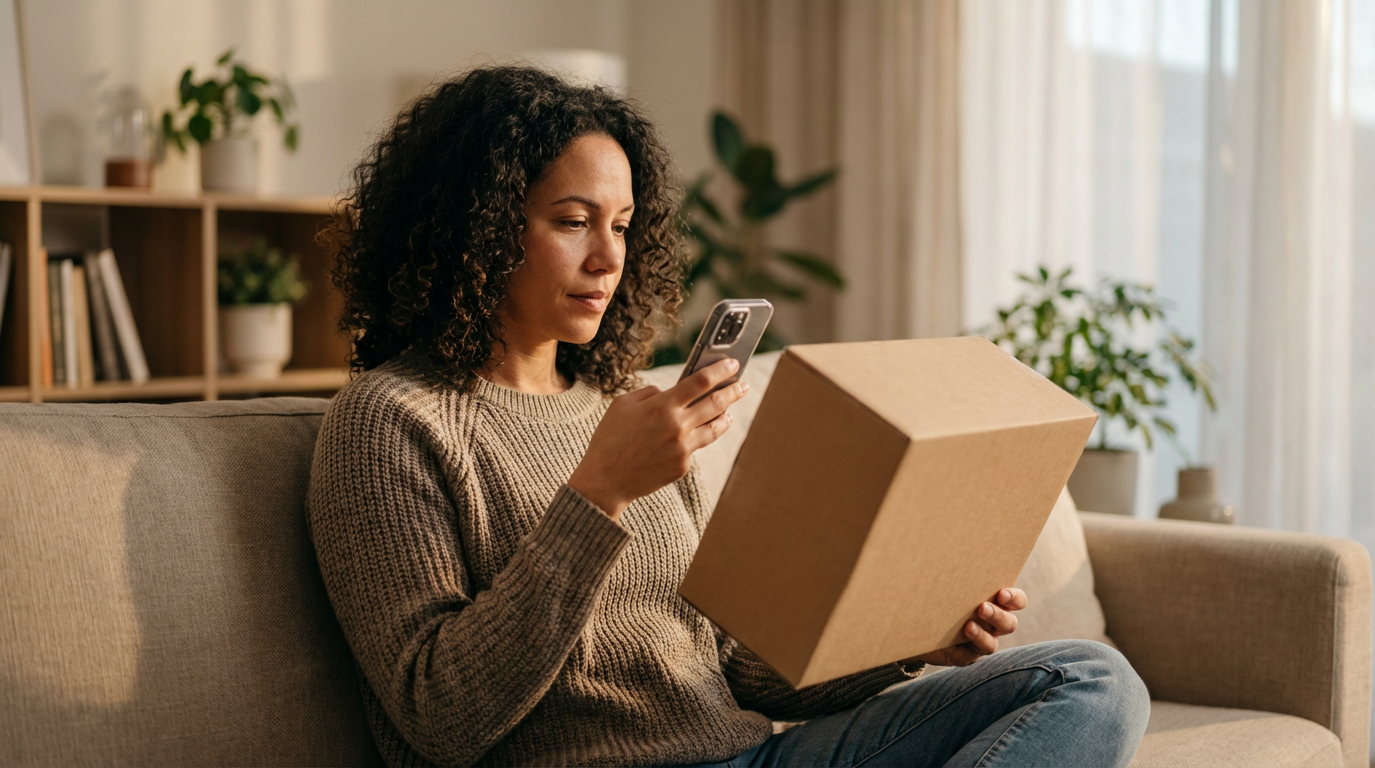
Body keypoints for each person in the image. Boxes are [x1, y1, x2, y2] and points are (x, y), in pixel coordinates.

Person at [307, 66, 1150, 768]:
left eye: (624, 226)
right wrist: (598, 494)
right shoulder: (391, 422)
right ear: (475, 230)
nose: (607, 258)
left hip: (748, 756)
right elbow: (439, 715)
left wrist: (914, 640)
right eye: (572, 222)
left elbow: (742, 668)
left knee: (1089, 680)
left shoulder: (617, 401)